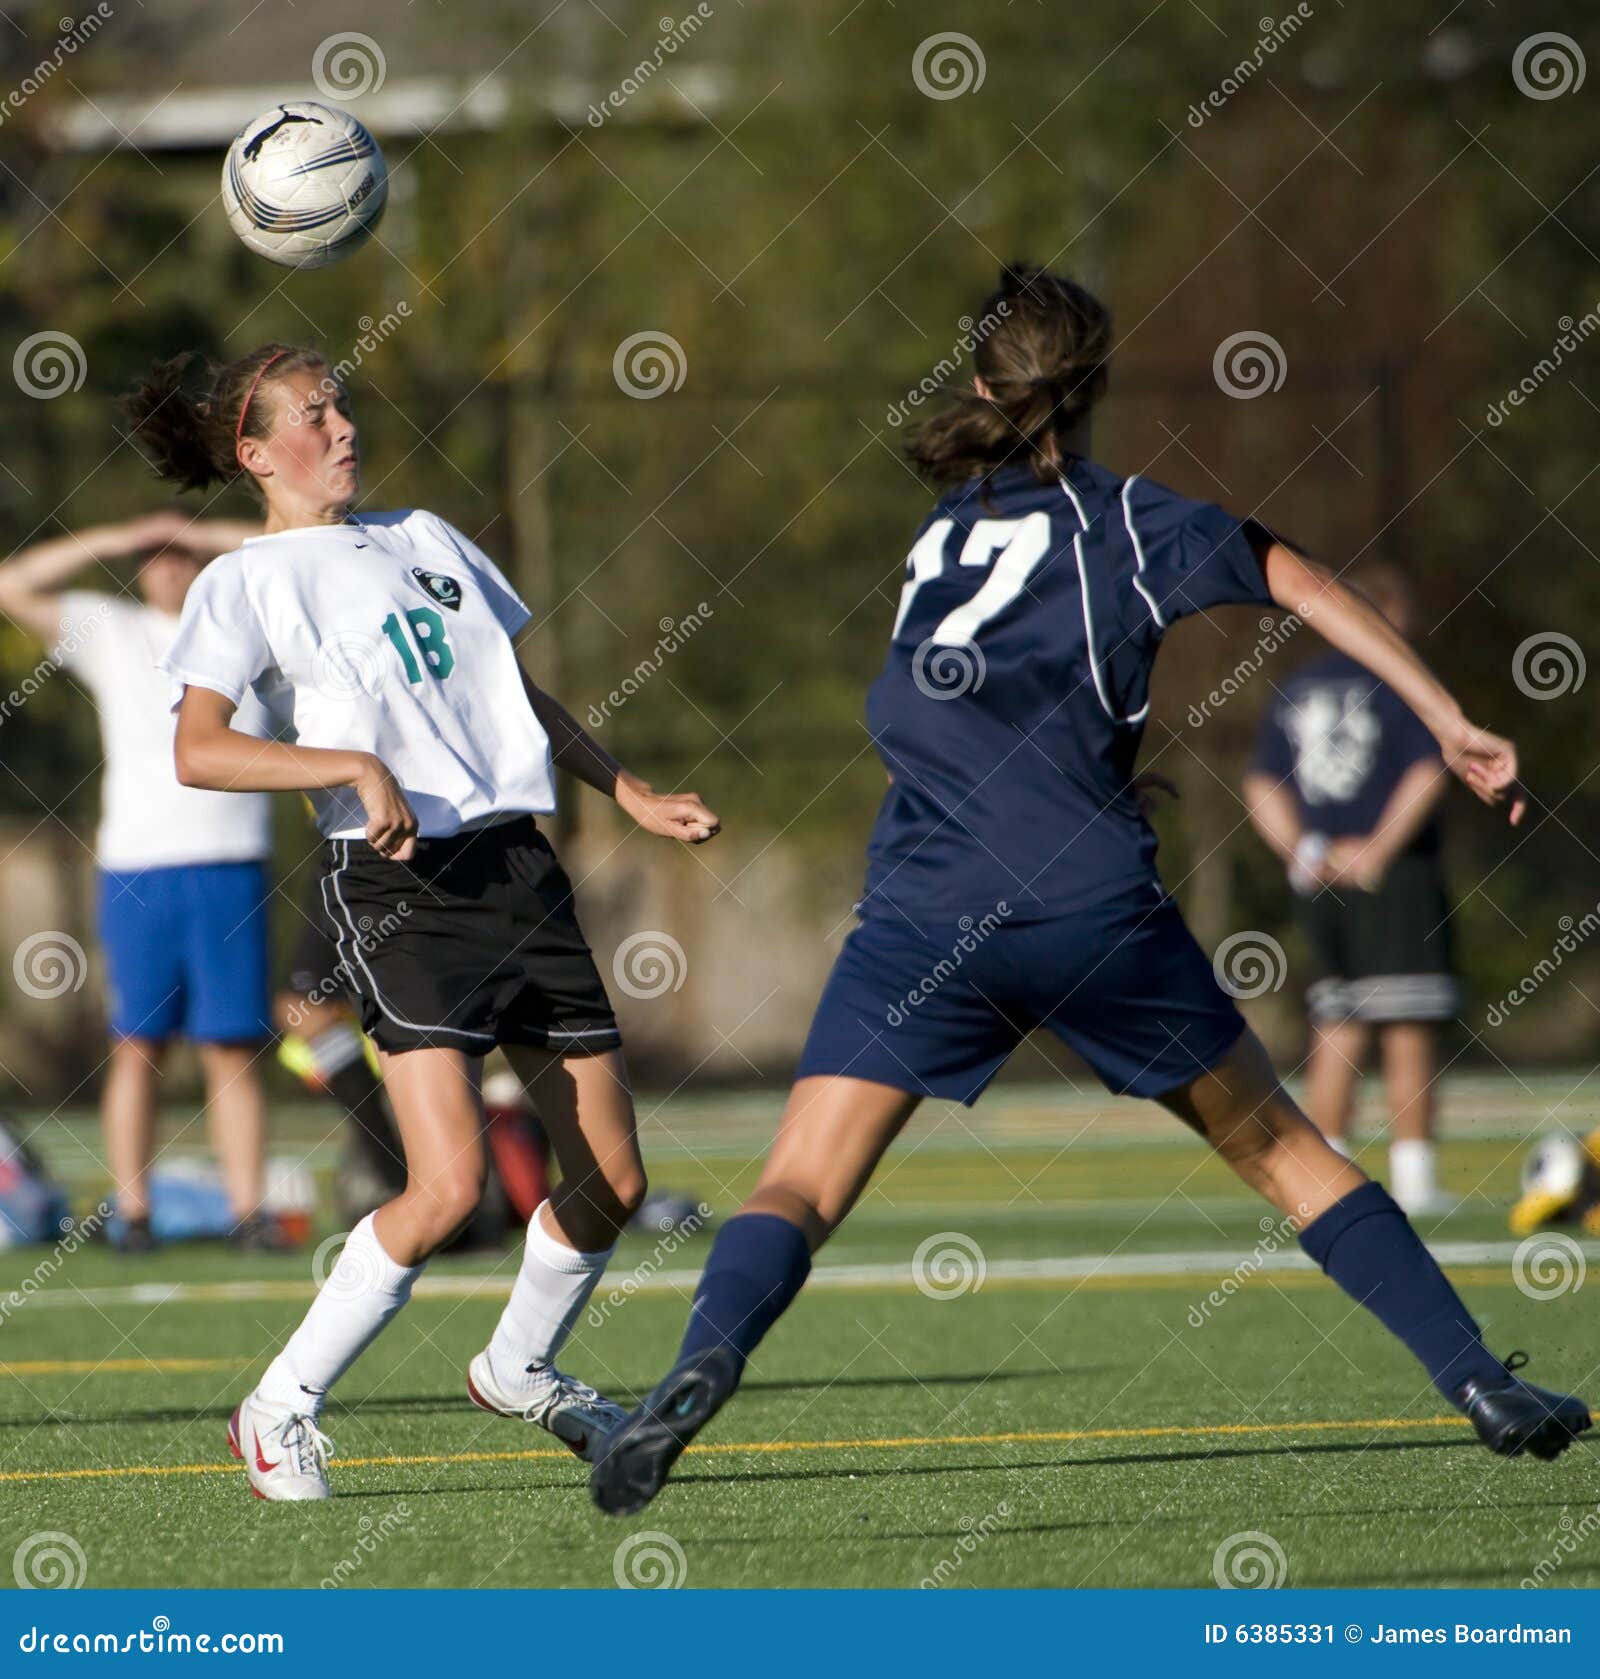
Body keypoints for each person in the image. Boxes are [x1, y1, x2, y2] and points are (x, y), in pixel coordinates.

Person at [590, 263, 1591, 1517]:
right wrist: (1444, 717)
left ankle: (694, 1370)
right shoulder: (1123, 520)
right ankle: (1479, 1381)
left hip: (925, 912)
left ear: (978, 384)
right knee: (1280, 1145)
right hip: (1084, 907)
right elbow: (1309, 583)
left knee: (799, 1180)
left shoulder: (939, 536)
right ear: (1093, 389)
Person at [121, 342, 718, 1501]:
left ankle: (517, 1364)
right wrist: (342, 762)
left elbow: (515, 690)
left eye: (340, 406)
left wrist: (626, 786)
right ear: (253, 453)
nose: (341, 427)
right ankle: (277, 1405)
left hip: (515, 868)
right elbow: (198, 749)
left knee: (616, 1180)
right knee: (444, 1188)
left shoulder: (427, 536)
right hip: (397, 888)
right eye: (311, 414)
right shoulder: (243, 582)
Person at [0, 511, 279, 1252]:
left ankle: (249, 1214)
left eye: (182, 555)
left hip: (230, 865)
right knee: (139, 1043)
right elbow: (10, 584)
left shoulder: (248, 626)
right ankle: (136, 1212)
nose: (170, 566)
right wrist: (121, 534)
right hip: (137, 871)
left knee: (232, 1047)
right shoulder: (111, 629)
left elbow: (296, 549)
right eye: (156, 557)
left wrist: (203, 532)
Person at [1243, 565, 1459, 1215]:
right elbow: (1429, 768)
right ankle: (1414, 1176)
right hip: (1391, 876)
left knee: (1336, 1020)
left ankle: (1322, 1170)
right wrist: (1377, 850)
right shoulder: (1399, 681)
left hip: (1318, 878)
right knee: (1406, 1018)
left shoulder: (1297, 686)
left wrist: (1305, 851)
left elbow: (1260, 784)